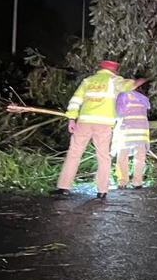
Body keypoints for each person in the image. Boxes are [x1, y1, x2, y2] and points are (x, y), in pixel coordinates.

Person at [52, 59, 136, 199]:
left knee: (74, 154)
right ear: (114, 70)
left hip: (84, 122)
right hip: (103, 124)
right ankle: (102, 191)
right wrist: (138, 81)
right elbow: (127, 85)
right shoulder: (113, 80)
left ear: (100, 68)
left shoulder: (88, 81)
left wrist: (71, 118)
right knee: (103, 157)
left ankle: (63, 187)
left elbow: (75, 100)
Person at [113, 79, 151, 189]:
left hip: (126, 130)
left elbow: (119, 112)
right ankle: (137, 182)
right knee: (139, 157)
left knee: (122, 156)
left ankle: (122, 181)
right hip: (141, 130)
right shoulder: (142, 98)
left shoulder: (122, 96)